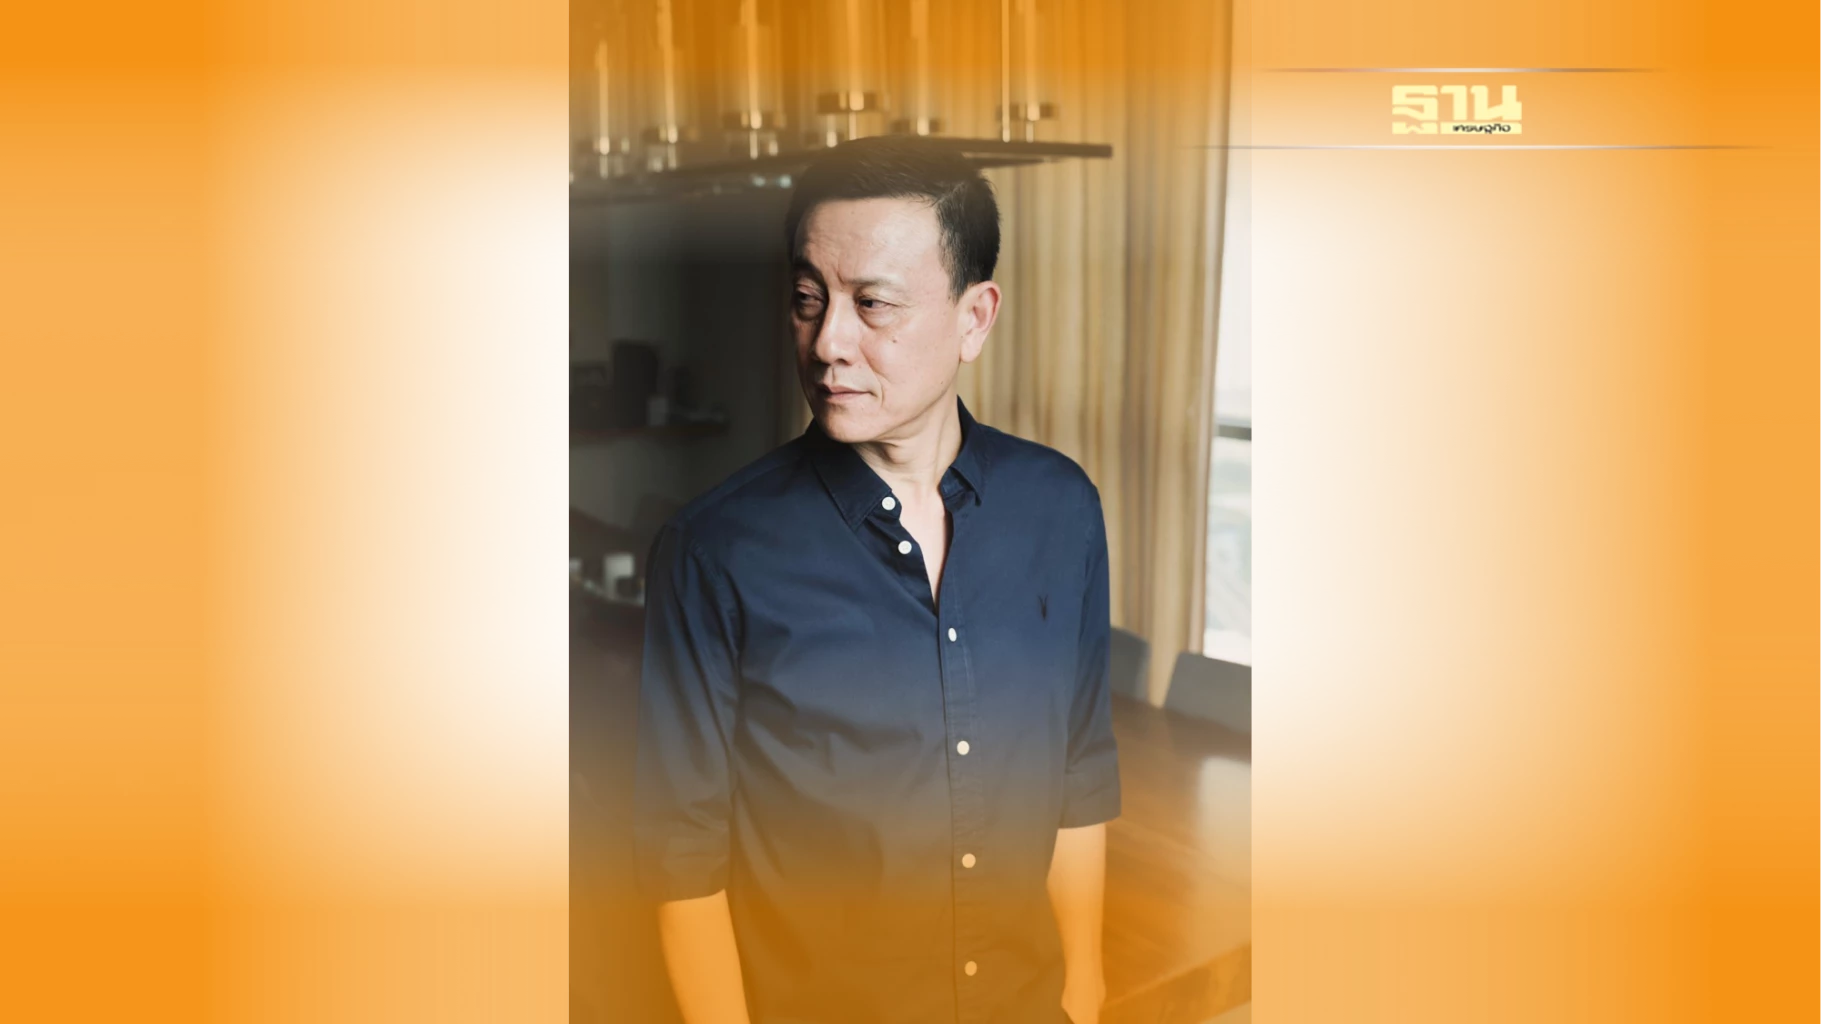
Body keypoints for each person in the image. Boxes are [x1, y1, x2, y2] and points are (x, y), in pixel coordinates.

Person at [633, 135, 1119, 1024]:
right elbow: (680, 855)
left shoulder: (1061, 508)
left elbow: (1079, 774)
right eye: (807, 301)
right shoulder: (712, 550)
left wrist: (1082, 991)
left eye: (873, 304)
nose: (828, 343)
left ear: (974, 318)